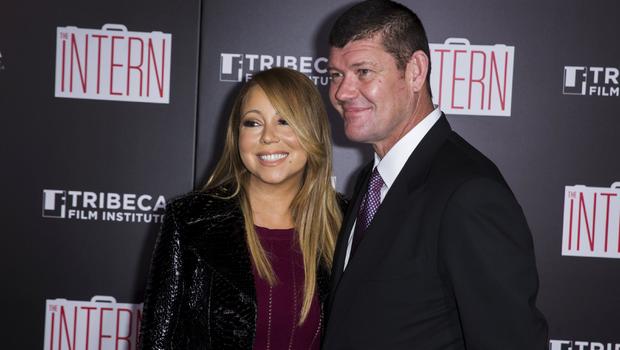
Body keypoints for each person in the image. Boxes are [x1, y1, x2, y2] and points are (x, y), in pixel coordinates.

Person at [322, 1, 548, 349]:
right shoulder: (370, 179)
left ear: (415, 71)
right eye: (336, 75)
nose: (342, 92)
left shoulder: (469, 193)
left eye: (363, 71)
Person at [139, 67, 343, 349]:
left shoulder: (348, 222)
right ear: (237, 136)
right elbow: (157, 343)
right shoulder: (191, 221)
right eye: (253, 123)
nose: (269, 137)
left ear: (314, 131)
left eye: (285, 121)